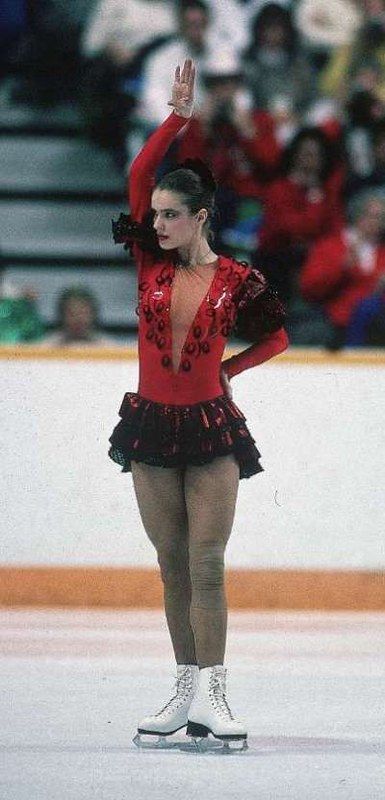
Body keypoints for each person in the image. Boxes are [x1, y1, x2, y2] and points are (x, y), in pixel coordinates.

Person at [109, 60, 288, 750]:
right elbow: (135, 178)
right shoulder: (148, 265)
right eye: (152, 214)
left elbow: (275, 337)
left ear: (199, 218)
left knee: (206, 562)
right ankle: (182, 687)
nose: (155, 223)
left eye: (169, 215)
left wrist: (228, 372)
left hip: (212, 428)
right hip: (151, 424)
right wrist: (176, 119)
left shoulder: (238, 279)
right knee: (170, 562)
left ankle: (214, 695)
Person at [299, 191, 385, 349]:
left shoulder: (382, 253)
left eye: (381, 218)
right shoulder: (331, 246)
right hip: (335, 321)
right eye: (373, 216)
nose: (377, 222)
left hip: (376, 322)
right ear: (357, 215)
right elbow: (309, 288)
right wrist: (342, 268)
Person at [40, 285, 118, 347]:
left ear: (93, 315)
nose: (78, 319)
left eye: (83, 313)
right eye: (72, 314)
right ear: (62, 315)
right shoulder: (45, 348)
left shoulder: (109, 348)